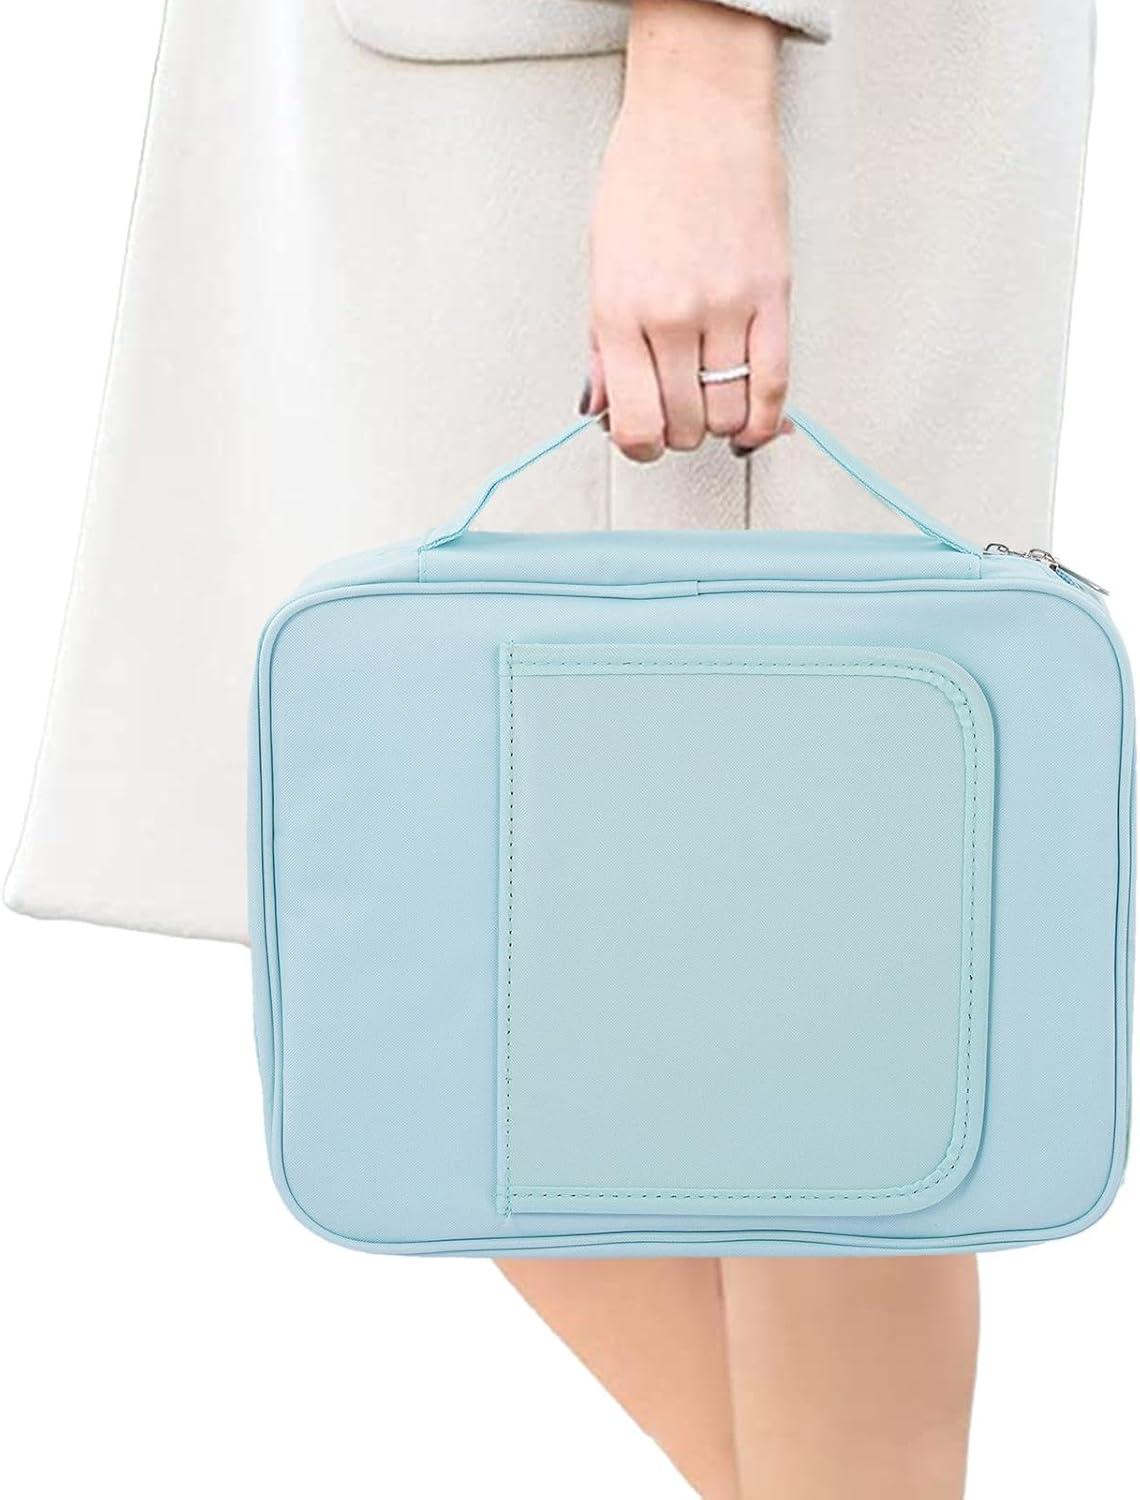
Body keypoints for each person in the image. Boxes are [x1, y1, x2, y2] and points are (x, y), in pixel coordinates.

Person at [8, 1, 1097, 1494]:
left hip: (656, 87)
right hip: (432, 96)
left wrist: (704, 66)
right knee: (447, 945)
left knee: (808, 997)